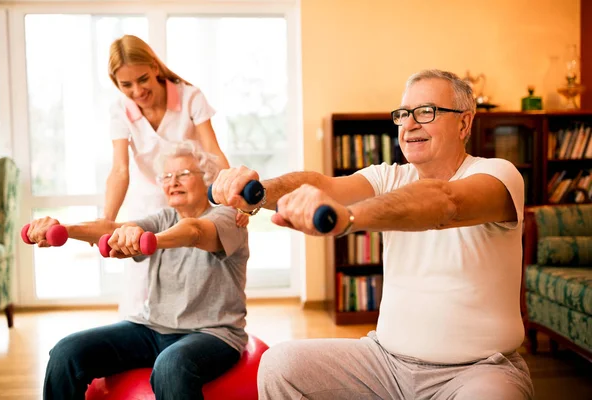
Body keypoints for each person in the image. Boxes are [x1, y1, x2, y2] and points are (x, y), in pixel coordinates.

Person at [210, 70, 534, 399]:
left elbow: (445, 203)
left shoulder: (498, 174)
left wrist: (348, 217)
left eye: (426, 112)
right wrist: (256, 192)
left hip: (477, 371)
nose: (409, 125)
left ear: (464, 123)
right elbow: (323, 184)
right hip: (384, 364)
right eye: (403, 115)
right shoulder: (387, 176)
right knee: (280, 366)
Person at [26, 141, 250, 400]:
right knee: (66, 352)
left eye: (183, 174)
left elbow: (195, 232)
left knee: (171, 365)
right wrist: (63, 229)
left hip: (213, 333)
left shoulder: (228, 218)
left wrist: (150, 240)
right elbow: (110, 228)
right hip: (152, 327)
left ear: (208, 179)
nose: (173, 181)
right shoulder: (164, 218)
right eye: (167, 176)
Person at [105, 34, 248, 317]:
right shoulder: (119, 110)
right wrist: (106, 223)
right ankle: (143, 337)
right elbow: (120, 170)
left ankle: (197, 332)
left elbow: (213, 151)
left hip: (193, 199)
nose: (137, 91)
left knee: (195, 271)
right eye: (126, 85)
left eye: (143, 79)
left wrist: (233, 203)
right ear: (116, 84)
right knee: (141, 283)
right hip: (149, 199)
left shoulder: (190, 97)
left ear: (155, 68)